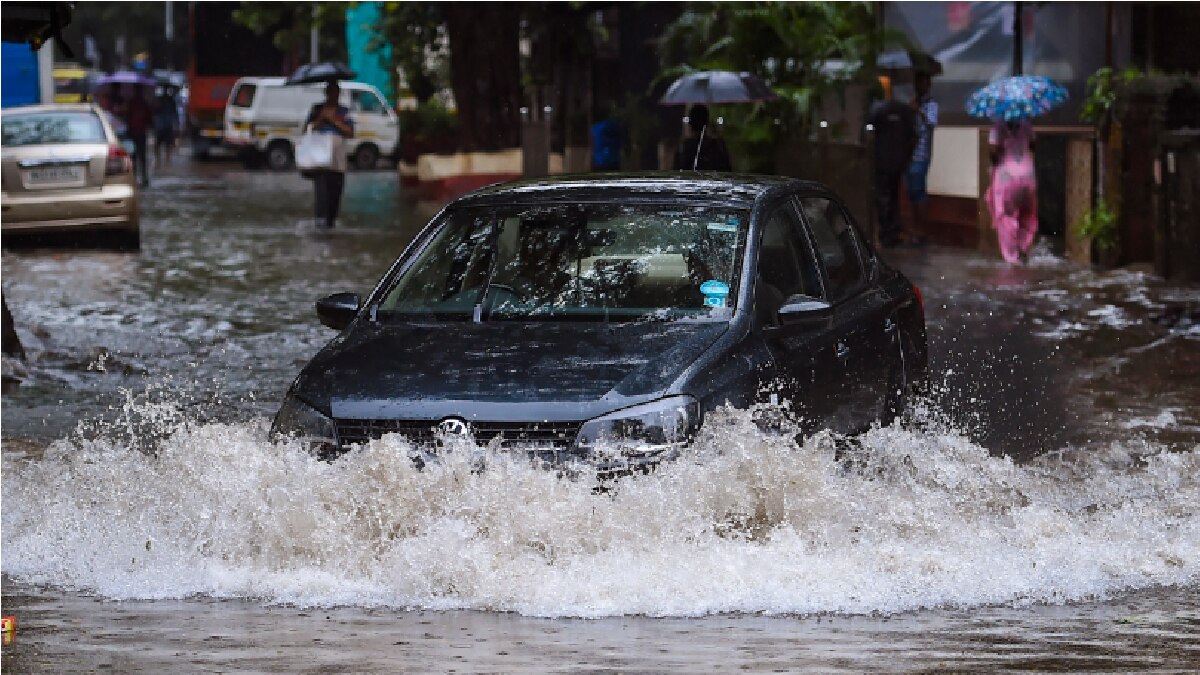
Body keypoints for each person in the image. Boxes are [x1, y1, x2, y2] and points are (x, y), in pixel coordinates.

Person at [867, 84, 917, 248]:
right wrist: (906, 157)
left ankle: (886, 232)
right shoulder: (904, 111)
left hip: (881, 160)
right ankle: (894, 230)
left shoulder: (877, 110)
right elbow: (913, 136)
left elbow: (867, 134)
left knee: (883, 195)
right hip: (899, 161)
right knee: (894, 195)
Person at [986, 118, 1038, 264]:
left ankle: (1012, 258)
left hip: (1007, 177)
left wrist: (995, 159)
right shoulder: (1026, 124)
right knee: (1028, 213)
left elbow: (994, 150)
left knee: (1006, 216)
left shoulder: (998, 126)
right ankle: (1023, 248)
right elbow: (1033, 144)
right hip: (1028, 175)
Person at [304, 80, 355, 229]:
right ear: (326, 93)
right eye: (331, 92)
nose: (334, 95)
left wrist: (333, 121)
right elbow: (308, 130)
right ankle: (321, 223)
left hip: (338, 161)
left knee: (335, 194)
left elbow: (350, 132)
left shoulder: (344, 111)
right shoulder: (317, 109)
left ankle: (331, 223)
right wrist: (322, 118)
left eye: (337, 92)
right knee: (321, 194)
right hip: (320, 161)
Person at [906, 70, 938, 244]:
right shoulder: (912, 103)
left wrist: (918, 111)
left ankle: (922, 230)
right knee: (911, 192)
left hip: (921, 154)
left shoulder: (931, 105)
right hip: (909, 154)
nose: (919, 86)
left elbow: (932, 122)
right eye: (917, 83)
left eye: (923, 83)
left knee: (919, 192)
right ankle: (913, 229)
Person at [673, 104, 732, 171]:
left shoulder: (683, 148)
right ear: (707, 122)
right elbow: (727, 170)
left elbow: (677, 171)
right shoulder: (718, 145)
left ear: (690, 124)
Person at [124, 84, 153, 187]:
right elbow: (149, 119)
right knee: (139, 156)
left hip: (137, 132)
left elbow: (148, 118)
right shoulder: (139, 103)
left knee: (136, 156)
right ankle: (140, 177)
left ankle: (137, 177)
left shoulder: (135, 103)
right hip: (137, 132)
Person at [153, 90, 178, 171]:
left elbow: (175, 114)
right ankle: (159, 161)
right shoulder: (159, 100)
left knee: (167, 145)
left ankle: (166, 161)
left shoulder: (171, 101)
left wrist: (176, 126)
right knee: (158, 144)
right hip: (161, 126)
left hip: (167, 126)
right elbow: (155, 112)